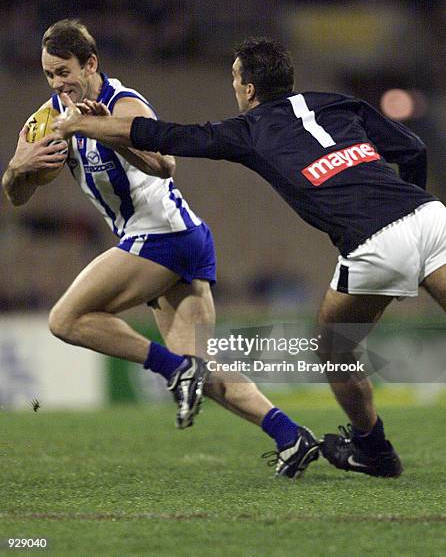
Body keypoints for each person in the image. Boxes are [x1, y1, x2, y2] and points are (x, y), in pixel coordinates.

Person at [55, 36, 446, 479]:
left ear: (249, 90)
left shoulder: (251, 129)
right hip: (431, 217)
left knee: (335, 347)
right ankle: (349, 445)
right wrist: (412, 218)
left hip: (373, 244)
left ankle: (373, 450)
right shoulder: (337, 103)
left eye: (235, 80)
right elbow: (412, 148)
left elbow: (168, 137)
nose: (235, 89)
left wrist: (83, 127)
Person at [2, 22, 320, 479]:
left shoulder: (122, 103)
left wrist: (107, 130)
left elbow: (165, 163)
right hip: (169, 238)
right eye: (49, 74)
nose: (56, 83)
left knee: (66, 320)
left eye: (64, 71)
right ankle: (291, 437)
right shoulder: (50, 119)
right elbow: (16, 195)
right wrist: (18, 168)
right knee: (204, 369)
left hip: (163, 234)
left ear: (90, 64)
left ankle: (173, 368)